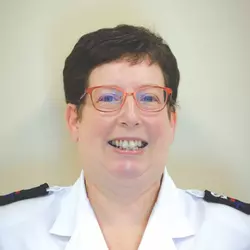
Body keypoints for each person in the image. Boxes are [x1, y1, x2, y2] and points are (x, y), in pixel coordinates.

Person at [0, 24, 249, 250]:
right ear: (74, 119)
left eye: (149, 98)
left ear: (172, 120)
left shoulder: (236, 234)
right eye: (108, 98)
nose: (130, 117)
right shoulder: (11, 230)